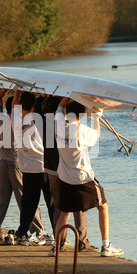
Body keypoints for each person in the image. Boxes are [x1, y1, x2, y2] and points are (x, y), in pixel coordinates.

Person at [49, 98, 124, 257]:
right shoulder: (81, 130)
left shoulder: (58, 125)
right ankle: (106, 246)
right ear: (82, 115)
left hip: (65, 178)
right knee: (103, 206)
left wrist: (70, 96)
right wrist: (97, 114)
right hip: (83, 177)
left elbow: (59, 107)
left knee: (64, 213)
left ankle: (55, 247)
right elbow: (96, 135)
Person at [38, 95, 98, 252]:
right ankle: (82, 241)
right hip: (69, 173)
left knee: (61, 210)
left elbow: (50, 109)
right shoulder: (68, 127)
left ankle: (59, 243)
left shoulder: (44, 123)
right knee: (80, 209)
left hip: (53, 171)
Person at [0, 90, 47, 238]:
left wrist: (11, 94)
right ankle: (38, 229)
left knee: (0, 199)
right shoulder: (23, 120)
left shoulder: (1, 120)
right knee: (27, 201)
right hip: (19, 164)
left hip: (2, 163)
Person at [11, 89, 54, 246]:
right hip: (42, 167)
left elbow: (15, 107)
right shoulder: (38, 119)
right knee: (51, 203)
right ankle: (58, 234)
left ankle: (22, 234)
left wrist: (16, 94)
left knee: (28, 203)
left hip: (27, 168)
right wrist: (43, 97)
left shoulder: (16, 118)